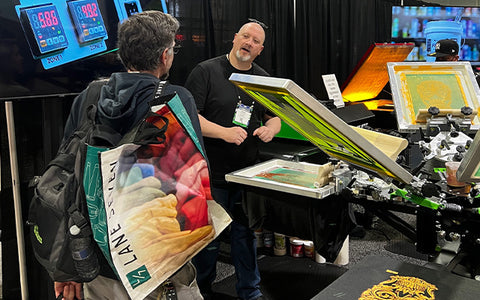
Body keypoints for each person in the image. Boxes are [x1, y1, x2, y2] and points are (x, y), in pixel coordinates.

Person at [55, 10, 204, 300]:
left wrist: (67, 266)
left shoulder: (89, 95)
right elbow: (192, 182)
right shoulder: (175, 98)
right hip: (154, 255)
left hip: (95, 254)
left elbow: (68, 175)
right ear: (164, 56)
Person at [185, 21, 281, 300]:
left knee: (245, 236)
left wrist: (271, 128)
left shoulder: (262, 79)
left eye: (255, 41)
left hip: (247, 173)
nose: (249, 43)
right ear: (235, 38)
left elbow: (273, 115)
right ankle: (201, 291)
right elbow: (191, 117)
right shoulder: (206, 71)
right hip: (210, 174)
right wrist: (224, 133)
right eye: (245, 36)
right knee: (207, 239)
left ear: (260, 50)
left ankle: (249, 291)